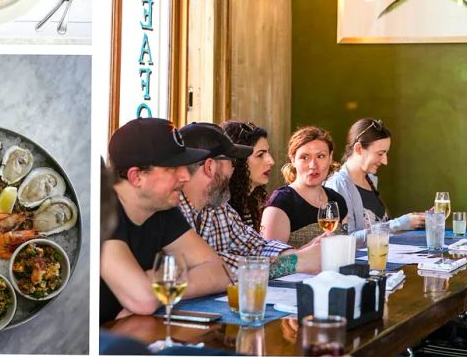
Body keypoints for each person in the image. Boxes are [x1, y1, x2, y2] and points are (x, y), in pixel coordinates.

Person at [100, 118, 228, 323]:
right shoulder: (103, 209)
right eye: (172, 168)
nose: (186, 176)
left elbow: (221, 272)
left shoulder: (162, 208)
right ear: (136, 176)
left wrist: (156, 284)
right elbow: (144, 300)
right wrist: (154, 291)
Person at [177, 122, 324, 279]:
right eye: (232, 161)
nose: (234, 168)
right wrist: (296, 262)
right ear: (210, 167)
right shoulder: (170, 211)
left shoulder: (218, 208)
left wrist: (298, 255)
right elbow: (207, 268)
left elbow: (257, 246)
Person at [326, 118, 425, 247]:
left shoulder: (370, 179)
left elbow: (380, 227)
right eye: (380, 154)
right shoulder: (337, 185)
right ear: (359, 148)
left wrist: (415, 220)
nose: (385, 161)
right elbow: (344, 241)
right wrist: (400, 224)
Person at [262, 126, 348, 247]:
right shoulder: (281, 202)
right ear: (293, 160)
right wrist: (306, 251)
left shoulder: (337, 200)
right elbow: (271, 261)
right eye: (304, 157)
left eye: (321, 156)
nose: (313, 165)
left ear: (330, 158)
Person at [219, 120, 275, 232]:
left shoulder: (248, 203)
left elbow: (255, 247)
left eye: (268, 153)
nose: (271, 161)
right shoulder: (221, 207)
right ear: (238, 160)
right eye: (260, 155)